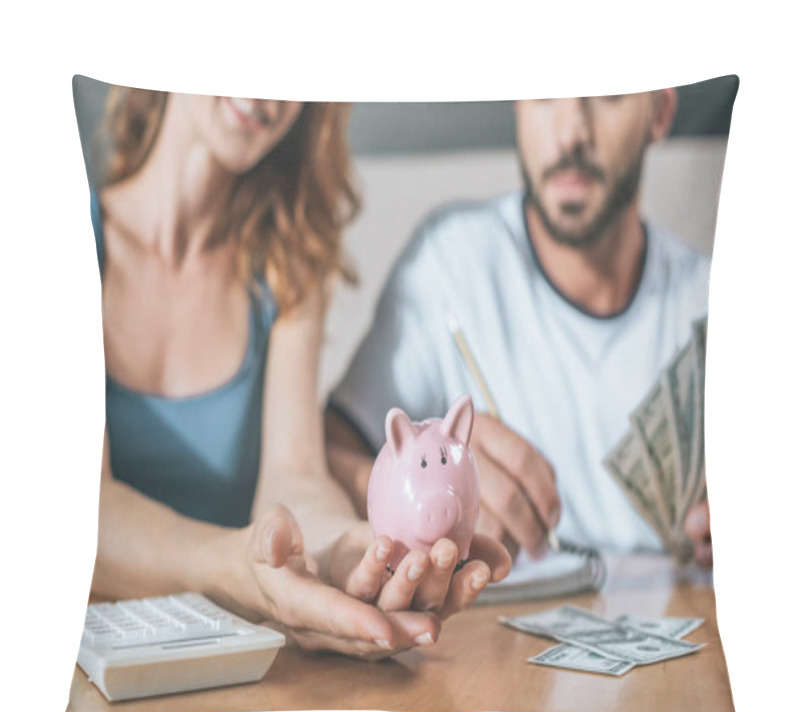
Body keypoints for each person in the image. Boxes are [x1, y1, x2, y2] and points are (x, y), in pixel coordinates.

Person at [88, 87, 510, 660]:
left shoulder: (287, 258)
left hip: (233, 661)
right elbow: (87, 514)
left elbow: (294, 473)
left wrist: (342, 551)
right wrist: (241, 569)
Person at [326, 89, 714, 573]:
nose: (571, 133)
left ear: (658, 114)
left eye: (609, 92)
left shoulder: (716, 302)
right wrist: (404, 484)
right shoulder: (449, 262)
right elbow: (321, 456)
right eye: (544, 92)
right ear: (516, 104)